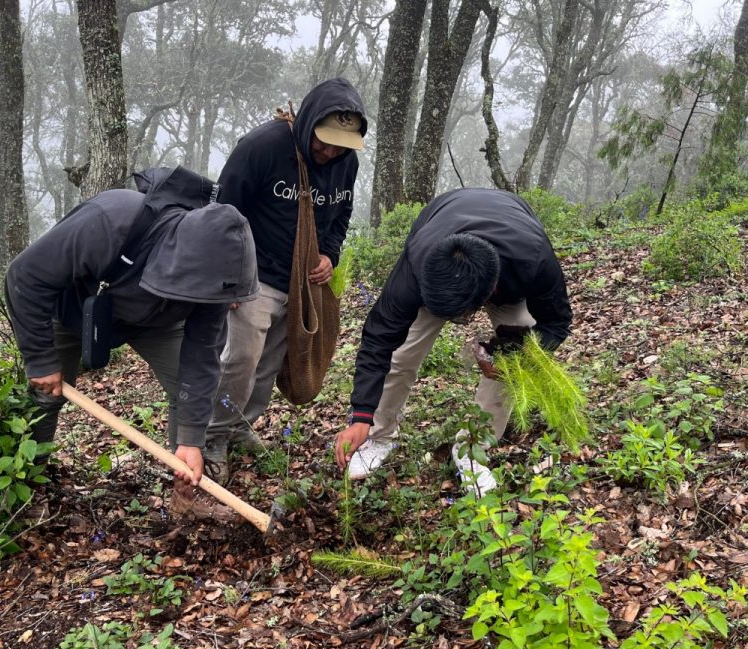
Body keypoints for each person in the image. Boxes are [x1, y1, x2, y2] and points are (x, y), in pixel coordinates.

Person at [5, 167, 259, 487]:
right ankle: (27, 481)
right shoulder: (110, 220)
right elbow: (24, 276)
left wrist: (191, 440)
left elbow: (202, 357)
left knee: (187, 386)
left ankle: (184, 487)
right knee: (46, 395)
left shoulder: (218, 278)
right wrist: (40, 358)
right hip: (72, 310)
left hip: (158, 319)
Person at [333, 188, 573, 494]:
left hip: (510, 256)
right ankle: (379, 436)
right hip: (441, 228)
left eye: (458, 316)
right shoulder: (417, 266)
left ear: (490, 292)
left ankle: (472, 448)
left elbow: (557, 322)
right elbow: (379, 338)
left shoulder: (533, 259)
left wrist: (510, 355)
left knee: (516, 356)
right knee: (402, 353)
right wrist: (361, 414)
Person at [204, 78, 367, 483]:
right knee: (240, 360)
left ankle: (241, 428)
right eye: (323, 141)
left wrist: (330, 254)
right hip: (251, 278)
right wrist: (228, 280)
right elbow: (221, 213)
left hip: (299, 285)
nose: (329, 152)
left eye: (339, 145)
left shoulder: (346, 162)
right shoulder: (263, 147)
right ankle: (212, 437)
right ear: (307, 122)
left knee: (270, 362)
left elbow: (341, 215)